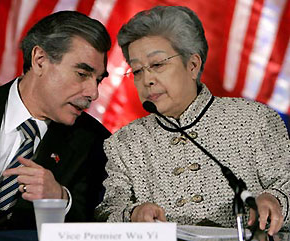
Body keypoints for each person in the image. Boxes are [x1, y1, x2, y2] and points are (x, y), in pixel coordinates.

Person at [95, 6, 290, 235]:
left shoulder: (255, 120)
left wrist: (276, 202)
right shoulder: (125, 143)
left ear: (193, 65)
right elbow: (107, 212)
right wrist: (133, 214)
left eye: (157, 65)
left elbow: (286, 185)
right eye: (137, 70)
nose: (147, 79)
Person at [0, 11, 111, 230]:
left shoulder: (96, 144)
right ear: (40, 61)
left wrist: (60, 200)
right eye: (82, 74)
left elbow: (99, 224)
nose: (93, 93)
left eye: (98, 80)